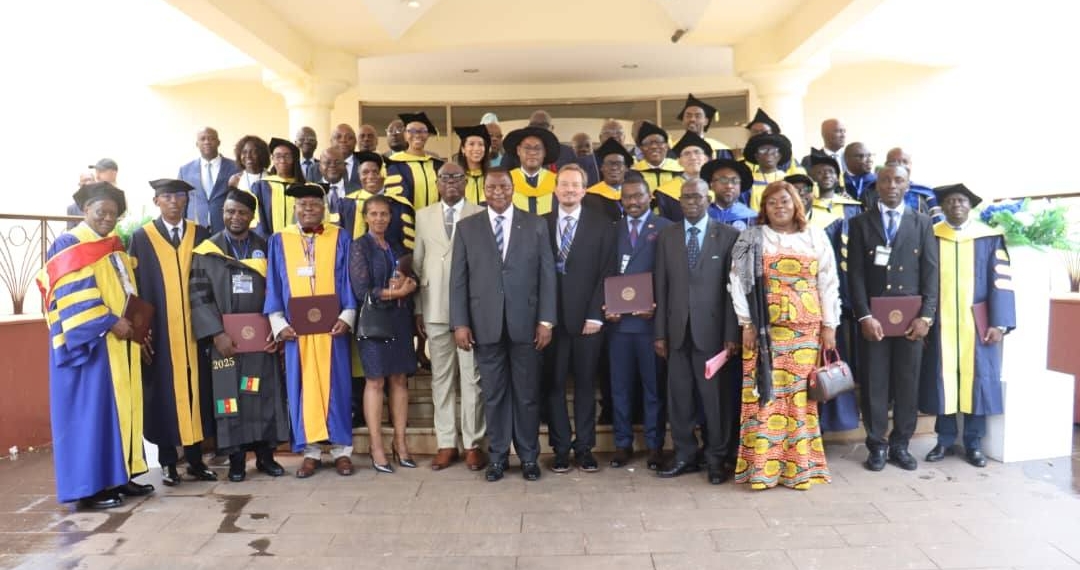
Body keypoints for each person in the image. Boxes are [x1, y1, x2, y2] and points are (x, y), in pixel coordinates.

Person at [42, 182, 153, 509]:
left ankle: (121, 475)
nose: (107, 217)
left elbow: (124, 289)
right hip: (90, 347)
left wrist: (137, 323)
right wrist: (108, 321)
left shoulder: (114, 245)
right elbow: (71, 296)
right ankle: (90, 488)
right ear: (84, 210)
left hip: (120, 342)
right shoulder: (70, 243)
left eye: (113, 212)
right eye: (99, 211)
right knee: (91, 414)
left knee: (120, 410)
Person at [449, 166, 556, 482]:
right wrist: (460, 323)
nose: (498, 192)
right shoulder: (468, 227)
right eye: (492, 187)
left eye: (504, 186)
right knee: (493, 394)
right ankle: (497, 457)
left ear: (513, 189)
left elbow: (547, 276)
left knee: (526, 394)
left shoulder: (535, 224)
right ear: (483, 190)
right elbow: (458, 281)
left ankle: (528, 457)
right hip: (485, 324)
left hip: (527, 323)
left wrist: (546, 321)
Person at [730, 181, 840, 490]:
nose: (779, 207)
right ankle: (763, 471)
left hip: (805, 330)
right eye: (771, 202)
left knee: (799, 400)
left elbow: (828, 283)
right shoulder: (751, 238)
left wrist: (829, 326)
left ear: (796, 205)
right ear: (763, 208)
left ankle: (799, 470)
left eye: (785, 201)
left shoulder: (815, 236)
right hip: (765, 332)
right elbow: (737, 282)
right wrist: (746, 323)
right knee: (764, 396)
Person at [190, 189, 289, 482]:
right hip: (226, 344)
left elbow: (279, 291)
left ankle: (265, 456)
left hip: (261, 341)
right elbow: (198, 295)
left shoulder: (265, 248)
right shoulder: (207, 251)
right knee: (229, 398)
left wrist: (276, 328)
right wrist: (216, 333)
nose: (235, 217)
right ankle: (236, 459)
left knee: (261, 394)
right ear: (223, 213)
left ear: (252, 216)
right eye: (230, 211)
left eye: (242, 212)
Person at [848, 165, 939, 472]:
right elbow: (856, 275)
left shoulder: (923, 222)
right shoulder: (860, 223)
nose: (891, 185)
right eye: (885, 180)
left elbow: (931, 273)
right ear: (877, 185)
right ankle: (877, 445)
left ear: (908, 185)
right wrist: (863, 316)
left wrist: (926, 317)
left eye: (898, 180)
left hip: (911, 321)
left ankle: (901, 444)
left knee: (907, 383)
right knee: (874, 384)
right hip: (874, 320)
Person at [264, 182, 357, 478]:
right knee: (301, 388)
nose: (308, 210)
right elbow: (274, 284)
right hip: (297, 331)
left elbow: (348, 280)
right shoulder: (279, 240)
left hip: (332, 328)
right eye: (302, 205)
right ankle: (311, 452)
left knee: (338, 385)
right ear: (294, 209)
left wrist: (348, 315)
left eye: (314, 205)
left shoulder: (340, 236)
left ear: (324, 208)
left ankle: (342, 451)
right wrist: (279, 323)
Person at [920, 184, 1015, 468]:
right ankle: (944, 440)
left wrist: (1000, 322)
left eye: (961, 201)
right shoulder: (932, 235)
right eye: (950, 201)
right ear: (943, 206)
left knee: (979, 381)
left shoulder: (988, 237)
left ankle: (973, 443)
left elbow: (1001, 281)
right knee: (942, 380)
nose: (956, 205)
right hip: (940, 322)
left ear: (970, 205)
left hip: (978, 324)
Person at [654, 178, 741, 484]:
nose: (692, 202)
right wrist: (660, 333)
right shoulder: (667, 236)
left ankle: (717, 458)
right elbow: (661, 287)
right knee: (679, 398)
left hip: (714, 334)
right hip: (677, 333)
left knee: (714, 400)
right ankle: (684, 455)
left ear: (709, 199)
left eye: (698, 197)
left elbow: (734, 291)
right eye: (687, 197)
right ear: (679, 201)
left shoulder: (729, 235)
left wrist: (732, 334)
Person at [128, 178, 213, 486]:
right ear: (156, 202)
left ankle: (195, 460)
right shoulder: (142, 237)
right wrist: (141, 333)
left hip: (195, 331)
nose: (174, 201)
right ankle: (167, 462)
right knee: (162, 394)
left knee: (196, 392)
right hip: (160, 333)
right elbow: (133, 288)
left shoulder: (200, 234)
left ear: (186, 201)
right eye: (167, 197)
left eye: (179, 196)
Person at [414, 163, 487, 471]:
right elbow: (418, 264)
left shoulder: (479, 214)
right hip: (434, 308)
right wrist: (418, 308)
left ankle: (473, 444)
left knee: (472, 379)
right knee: (441, 379)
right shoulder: (424, 215)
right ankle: (446, 443)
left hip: (470, 311)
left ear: (467, 181)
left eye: (457, 177)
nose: (451, 182)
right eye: (445, 178)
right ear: (437, 182)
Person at [544, 164, 616, 473]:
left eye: (576, 185)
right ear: (556, 189)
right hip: (552, 322)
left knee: (586, 385)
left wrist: (595, 315)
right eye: (564, 185)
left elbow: (607, 272)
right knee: (554, 386)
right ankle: (561, 448)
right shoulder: (540, 225)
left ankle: (585, 447)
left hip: (589, 321)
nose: (570, 190)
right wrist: (543, 319)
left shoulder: (603, 225)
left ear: (585, 191)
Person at [604, 172, 671, 470]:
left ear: (650, 197)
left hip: (650, 325)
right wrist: (604, 305)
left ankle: (655, 446)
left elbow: (671, 276)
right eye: (627, 196)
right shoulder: (612, 230)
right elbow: (603, 274)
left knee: (653, 387)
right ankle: (622, 444)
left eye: (638, 196)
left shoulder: (666, 229)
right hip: (618, 326)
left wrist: (658, 307)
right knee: (619, 387)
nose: (632, 201)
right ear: (621, 200)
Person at [350, 195, 419, 473]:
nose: (380, 218)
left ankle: (400, 443)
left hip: (399, 319)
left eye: (384, 214)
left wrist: (409, 283)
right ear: (366, 217)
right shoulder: (360, 247)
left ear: (391, 217)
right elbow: (361, 290)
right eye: (374, 214)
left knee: (400, 379)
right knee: (376, 381)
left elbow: (410, 276)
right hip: (374, 322)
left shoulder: (396, 245)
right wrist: (395, 292)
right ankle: (376, 445)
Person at [805, 151, 862, 433]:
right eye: (819, 171)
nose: (825, 174)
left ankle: (839, 420)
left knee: (835, 356)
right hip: (809, 296)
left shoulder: (853, 208)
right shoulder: (804, 210)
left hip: (843, 293)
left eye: (830, 170)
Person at [337, 151, 415, 248]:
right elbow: (339, 241)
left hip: (390, 260)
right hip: (354, 260)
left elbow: (407, 246)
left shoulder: (398, 204)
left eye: (375, 172)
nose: (370, 177)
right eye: (365, 172)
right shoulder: (345, 204)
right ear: (359, 176)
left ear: (383, 174)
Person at [178, 127, 240, 234]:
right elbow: (181, 200)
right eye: (202, 139)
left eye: (211, 138)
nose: (207, 142)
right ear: (197, 144)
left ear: (218, 142)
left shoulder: (235, 167)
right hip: (194, 229)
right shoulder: (185, 170)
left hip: (226, 228)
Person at [386, 112, 445, 211]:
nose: (417, 135)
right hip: (406, 223)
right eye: (411, 131)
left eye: (422, 131)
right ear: (405, 135)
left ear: (427, 135)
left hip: (435, 222)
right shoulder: (393, 164)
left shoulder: (437, 165)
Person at [251, 137, 305, 236]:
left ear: (294, 159)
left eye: (287, 156)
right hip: (269, 244)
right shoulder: (261, 186)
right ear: (272, 159)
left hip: (299, 243)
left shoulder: (304, 188)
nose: (282, 160)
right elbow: (259, 220)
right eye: (278, 156)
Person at [654, 131, 712, 222]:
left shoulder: (715, 188)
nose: (693, 157)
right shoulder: (665, 192)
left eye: (697, 152)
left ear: (706, 158)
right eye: (687, 154)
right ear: (679, 161)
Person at [503, 125, 561, 215]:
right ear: (518, 150)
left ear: (544, 152)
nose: (532, 153)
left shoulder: (557, 182)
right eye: (527, 148)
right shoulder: (506, 180)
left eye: (537, 148)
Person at [742, 133, 806, 211]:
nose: (768, 153)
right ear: (756, 156)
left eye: (774, 150)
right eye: (763, 150)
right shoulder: (747, 181)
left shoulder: (789, 180)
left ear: (779, 155)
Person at [885, 147, 942, 223]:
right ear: (886, 165)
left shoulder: (927, 194)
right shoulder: (873, 192)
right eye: (894, 162)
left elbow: (938, 225)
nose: (900, 165)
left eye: (905, 162)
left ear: (911, 165)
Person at [584, 137, 635, 221]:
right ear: (602, 168)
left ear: (626, 168)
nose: (614, 168)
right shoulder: (589, 197)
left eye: (618, 164)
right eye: (609, 164)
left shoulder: (635, 194)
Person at [675, 94, 734, 160]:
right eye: (688, 116)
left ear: (706, 121)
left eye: (698, 116)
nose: (692, 119)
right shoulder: (673, 148)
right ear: (683, 120)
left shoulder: (718, 149)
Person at [702, 158, 756, 230]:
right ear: (711, 184)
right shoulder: (701, 215)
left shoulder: (752, 217)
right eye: (723, 180)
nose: (729, 186)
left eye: (735, 180)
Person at [632, 121, 683, 193]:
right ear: (641, 148)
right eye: (648, 143)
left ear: (666, 146)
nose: (654, 146)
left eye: (658, 142)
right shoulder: (633, 173)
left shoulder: (680, 171)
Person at [453, 124, 491, 204]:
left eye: (481, 144)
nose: (477, 149)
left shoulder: (492, 176)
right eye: (471, 144)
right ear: (463, 149)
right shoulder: (455, 179)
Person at [319, 147, 360, 217]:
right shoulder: (311, 190)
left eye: (337, 162)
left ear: (344, 166)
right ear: (319, 167)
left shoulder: (358, 191)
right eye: (327, 162)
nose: (332, 166)